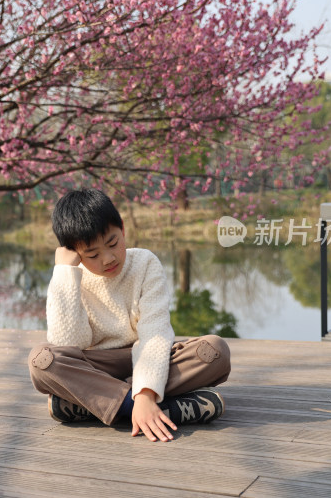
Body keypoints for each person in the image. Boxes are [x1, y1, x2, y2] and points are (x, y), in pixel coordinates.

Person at [28, 188, 231, 443]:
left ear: (122, 229)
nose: (108, 258)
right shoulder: (70, 276)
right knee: (42, 361)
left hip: (145, 360)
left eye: (113, 243)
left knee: (214, 351)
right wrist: (64, 273)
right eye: (92, 254)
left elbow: (154, 335)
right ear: (75, 252)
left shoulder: (144, 263)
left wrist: (145, 393)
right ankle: (152, 409)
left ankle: (94, 405)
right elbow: (71, 345)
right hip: (96, 365)